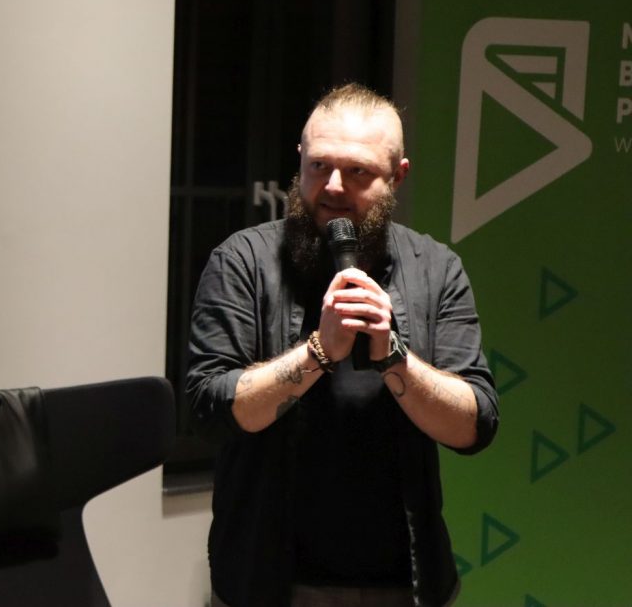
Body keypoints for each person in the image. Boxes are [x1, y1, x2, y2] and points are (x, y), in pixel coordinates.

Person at [187, 84, 499, 607]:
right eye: (319, 166)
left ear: (398, 175)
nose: (332, 187)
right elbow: (210, 410)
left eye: (357, 172)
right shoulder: (243, 261)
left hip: (405, 583)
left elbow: (475, 425)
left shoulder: (436, 269)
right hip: (267, 583)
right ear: (299, 160)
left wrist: (394, 357)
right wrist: (318, 351)